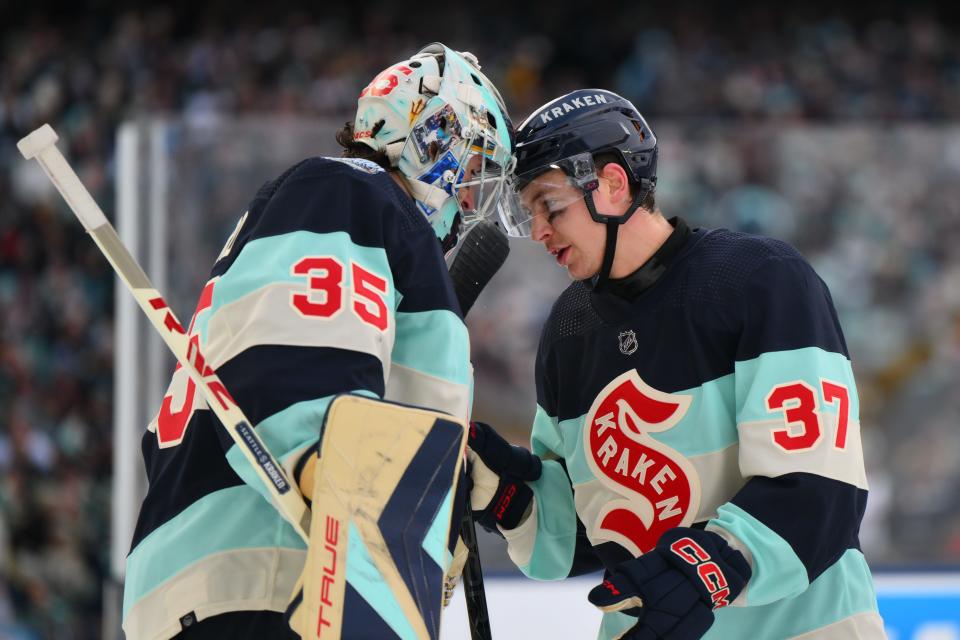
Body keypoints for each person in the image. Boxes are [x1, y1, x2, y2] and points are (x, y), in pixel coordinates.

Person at [121, 43, 515, 639]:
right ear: (431, 138)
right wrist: (346, 494)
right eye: (472, 172)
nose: (466, 203)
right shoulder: (350, 190)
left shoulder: (360, 214)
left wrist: (432, 515)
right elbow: (289, 364)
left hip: (229, 573)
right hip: (270, 568)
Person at [467, 89, 885, 639]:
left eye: (550, 205)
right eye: (529, 214)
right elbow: (581, 535)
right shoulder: (568, 331)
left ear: (613, 185)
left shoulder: (759, 280)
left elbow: (817, 491)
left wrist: (704, 572)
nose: (539, 230)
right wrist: (504, 491)